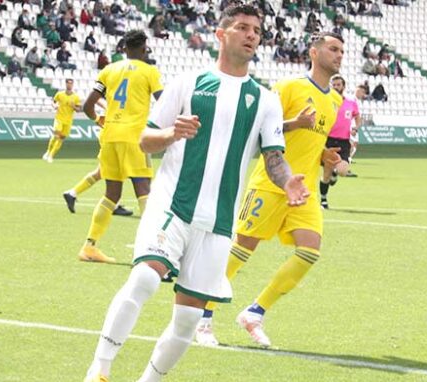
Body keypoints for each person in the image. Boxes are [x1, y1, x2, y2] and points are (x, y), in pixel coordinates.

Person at [82, 6, 308, 381]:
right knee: (144, 279)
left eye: (257, 30)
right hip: (173, 204)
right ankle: (100, 370)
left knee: (187, 319)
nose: (252, 35)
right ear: (221, 34)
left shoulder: (266, 100)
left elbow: (275, 158)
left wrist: (287, 182)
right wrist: (172, 133)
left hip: (218, 222)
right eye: (242, 27)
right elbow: (145, 141)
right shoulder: (188, 83)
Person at [195, 31, 344, 348]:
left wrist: (323, 155)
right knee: (241, 250)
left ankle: (254, 312)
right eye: (333, 49)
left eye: (342, 50)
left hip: (304, 190)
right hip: (271, 183)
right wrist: (295, 123)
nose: (339, 55)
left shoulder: (335, 100)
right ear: (314, 53)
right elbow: (263, 129)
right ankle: (202, 316)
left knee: (309, 252)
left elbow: (309, 142)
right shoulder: (289, 88)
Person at [73, 29, 163, 264]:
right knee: (144, 190)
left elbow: (88, 106)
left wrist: (98, 120)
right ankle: (151, 251)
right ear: (144, 49)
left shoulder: (108, 70)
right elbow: (164, 102)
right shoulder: (149, 71)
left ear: (124, 49)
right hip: (135, 138)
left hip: (110, 136)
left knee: (111, 193)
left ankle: (89, 246)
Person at [319, 74, 360, 209]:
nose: (336, 87)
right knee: (326, 171)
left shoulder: (350, 102)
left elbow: (357, 116)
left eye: (338, 85)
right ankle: (323, 200)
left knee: (343, 170)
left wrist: (355, 127)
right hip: (328, 139)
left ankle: (335, 173)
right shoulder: (325, 100)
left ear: (343, 86)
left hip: (343, 141)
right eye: (334, 85)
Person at [42, 78, 81, 163]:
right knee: (56, 135)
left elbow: (79, 110)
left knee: (61, 138)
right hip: (59, 118)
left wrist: (73, 106)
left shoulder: (76, 97)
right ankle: (48, 151)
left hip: (68, 121)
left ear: (73, 85)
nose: (69, 85)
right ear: (66, 84)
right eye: (68, 83)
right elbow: (53, 101)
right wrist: (54, 106)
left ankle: (51, 155)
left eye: (71, 83)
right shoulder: (60, 94)